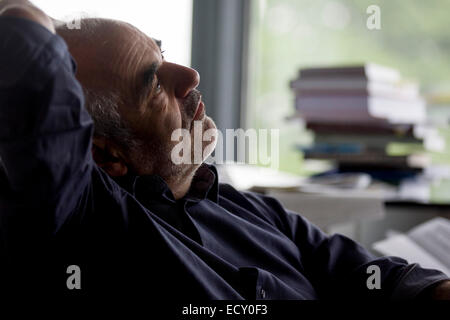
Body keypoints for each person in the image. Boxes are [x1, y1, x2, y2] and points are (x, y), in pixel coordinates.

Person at [0, 1, 449, 299]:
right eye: (154, 81)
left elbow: (375, 280)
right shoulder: (85, 217)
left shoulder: (251, 209)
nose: (191, 77)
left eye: (164, 53)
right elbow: (25, 48)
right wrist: (44, 23)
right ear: (106, 156)